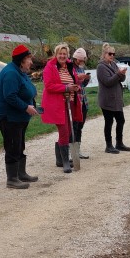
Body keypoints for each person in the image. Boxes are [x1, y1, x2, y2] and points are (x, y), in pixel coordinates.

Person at [0, 44, 40, 189]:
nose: (31, 62)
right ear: (21, 60)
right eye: (29, 59)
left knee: (19, 144)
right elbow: (10, 96)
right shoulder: (11, 73)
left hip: (19, 117)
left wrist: (32, 102)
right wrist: (26, 107)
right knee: (13, 145)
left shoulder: (20, 71)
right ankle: (12, 178)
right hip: (9, 116)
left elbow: (27, 90)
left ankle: (21, 173)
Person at [41, 42, 83, 173]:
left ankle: (60, 159)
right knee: (64, 131)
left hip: (70, 102)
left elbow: (75, 81)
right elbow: (49, 85)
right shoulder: (50, 67)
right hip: (57, 104)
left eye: (65, 54)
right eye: (60, 53)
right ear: (56, 54)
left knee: (69, 131)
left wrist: (77, 87)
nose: (62, 56)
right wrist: (65, 88)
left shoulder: (70, 66)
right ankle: (65, 161)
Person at [96, 42, 130, 154]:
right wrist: (119, 74)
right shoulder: (101, 67)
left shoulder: (114, 64)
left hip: (116, 99)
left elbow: (121, 79)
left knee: (121, 120)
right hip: (107, 100)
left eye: (113, 54)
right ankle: (109, 145)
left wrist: (122, 74)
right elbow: (108, 82)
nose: (112, 56)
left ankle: (119, 143)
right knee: (109, 122)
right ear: (104, 54)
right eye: (110, 54)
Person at [71, 48, 92, 159]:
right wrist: (78, 79)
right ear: (77, 59)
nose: (82, 62)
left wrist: (86, 79)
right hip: (75, 101)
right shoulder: (71, 68)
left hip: (83, 101)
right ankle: (72, 152)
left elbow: (82, 85)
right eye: (81, 59)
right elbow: (71, 83)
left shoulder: (81, 68)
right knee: (74, 127)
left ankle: (77, 151)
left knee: (80, 127)